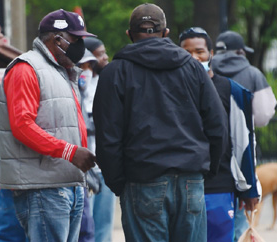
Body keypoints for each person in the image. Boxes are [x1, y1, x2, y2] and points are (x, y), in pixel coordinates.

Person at [93, 4, 228, 242]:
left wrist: (118, 183)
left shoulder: (115, 72)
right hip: (190, 177)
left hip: (142, 179)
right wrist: (204, 170)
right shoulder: (194, 69)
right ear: (165, 33)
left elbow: (107, 136)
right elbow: (217, 126)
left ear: (129, 34)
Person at [0, 9, 97, 242]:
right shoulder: (26, 68)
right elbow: (22, 125)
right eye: (76, 39)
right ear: (57, 39)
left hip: (67, 182)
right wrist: (69, 151)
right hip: (43, 187)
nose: (81, 45)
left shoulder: (63, 71)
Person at [179, 27, 260, 242]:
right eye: (186, 52)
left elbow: (245, 142)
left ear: (211, 54)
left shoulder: (231, 91)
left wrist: (249, 188)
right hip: (179, 187)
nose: (193, 58)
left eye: (199, 51)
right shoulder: (170, 90)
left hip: (219, 188)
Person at [211, 30, 275, 241]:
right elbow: (265, 115)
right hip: (242, 152)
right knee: (239, 216)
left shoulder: (203, 71)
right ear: (240, 51)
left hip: (208, 157)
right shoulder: (252, 73)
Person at [84, 36, 117, 242]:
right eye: (100, 54)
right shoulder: (78, 84)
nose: (106, 57)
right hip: (85, 169)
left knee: (104, 227)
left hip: (105, 167)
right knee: (86, 227)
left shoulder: (108, 82)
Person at [77, 49, 98, 242]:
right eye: (81, 66)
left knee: (87, 231)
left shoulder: (84, 96)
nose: (86, 71)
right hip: (70, 176)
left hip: (86, 173)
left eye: (89, 66)